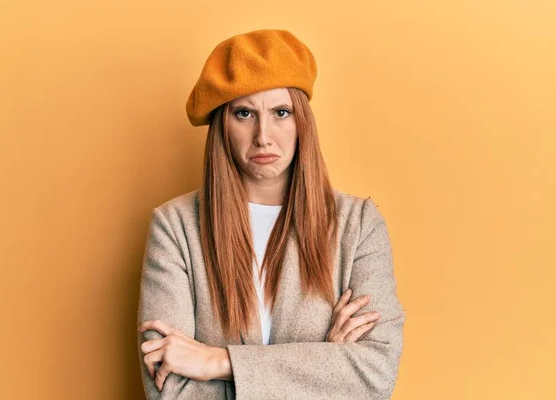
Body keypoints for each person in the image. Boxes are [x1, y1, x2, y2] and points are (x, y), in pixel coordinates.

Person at [136, 28, 406, 400]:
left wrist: (218, 362)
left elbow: (375, 375)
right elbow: (169, 391)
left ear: (302, 124)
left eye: (281, 112)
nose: (263, 135)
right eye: (244, 113)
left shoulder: (358, 225)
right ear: (221, 127)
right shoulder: (175, 228)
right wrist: (326, 363)